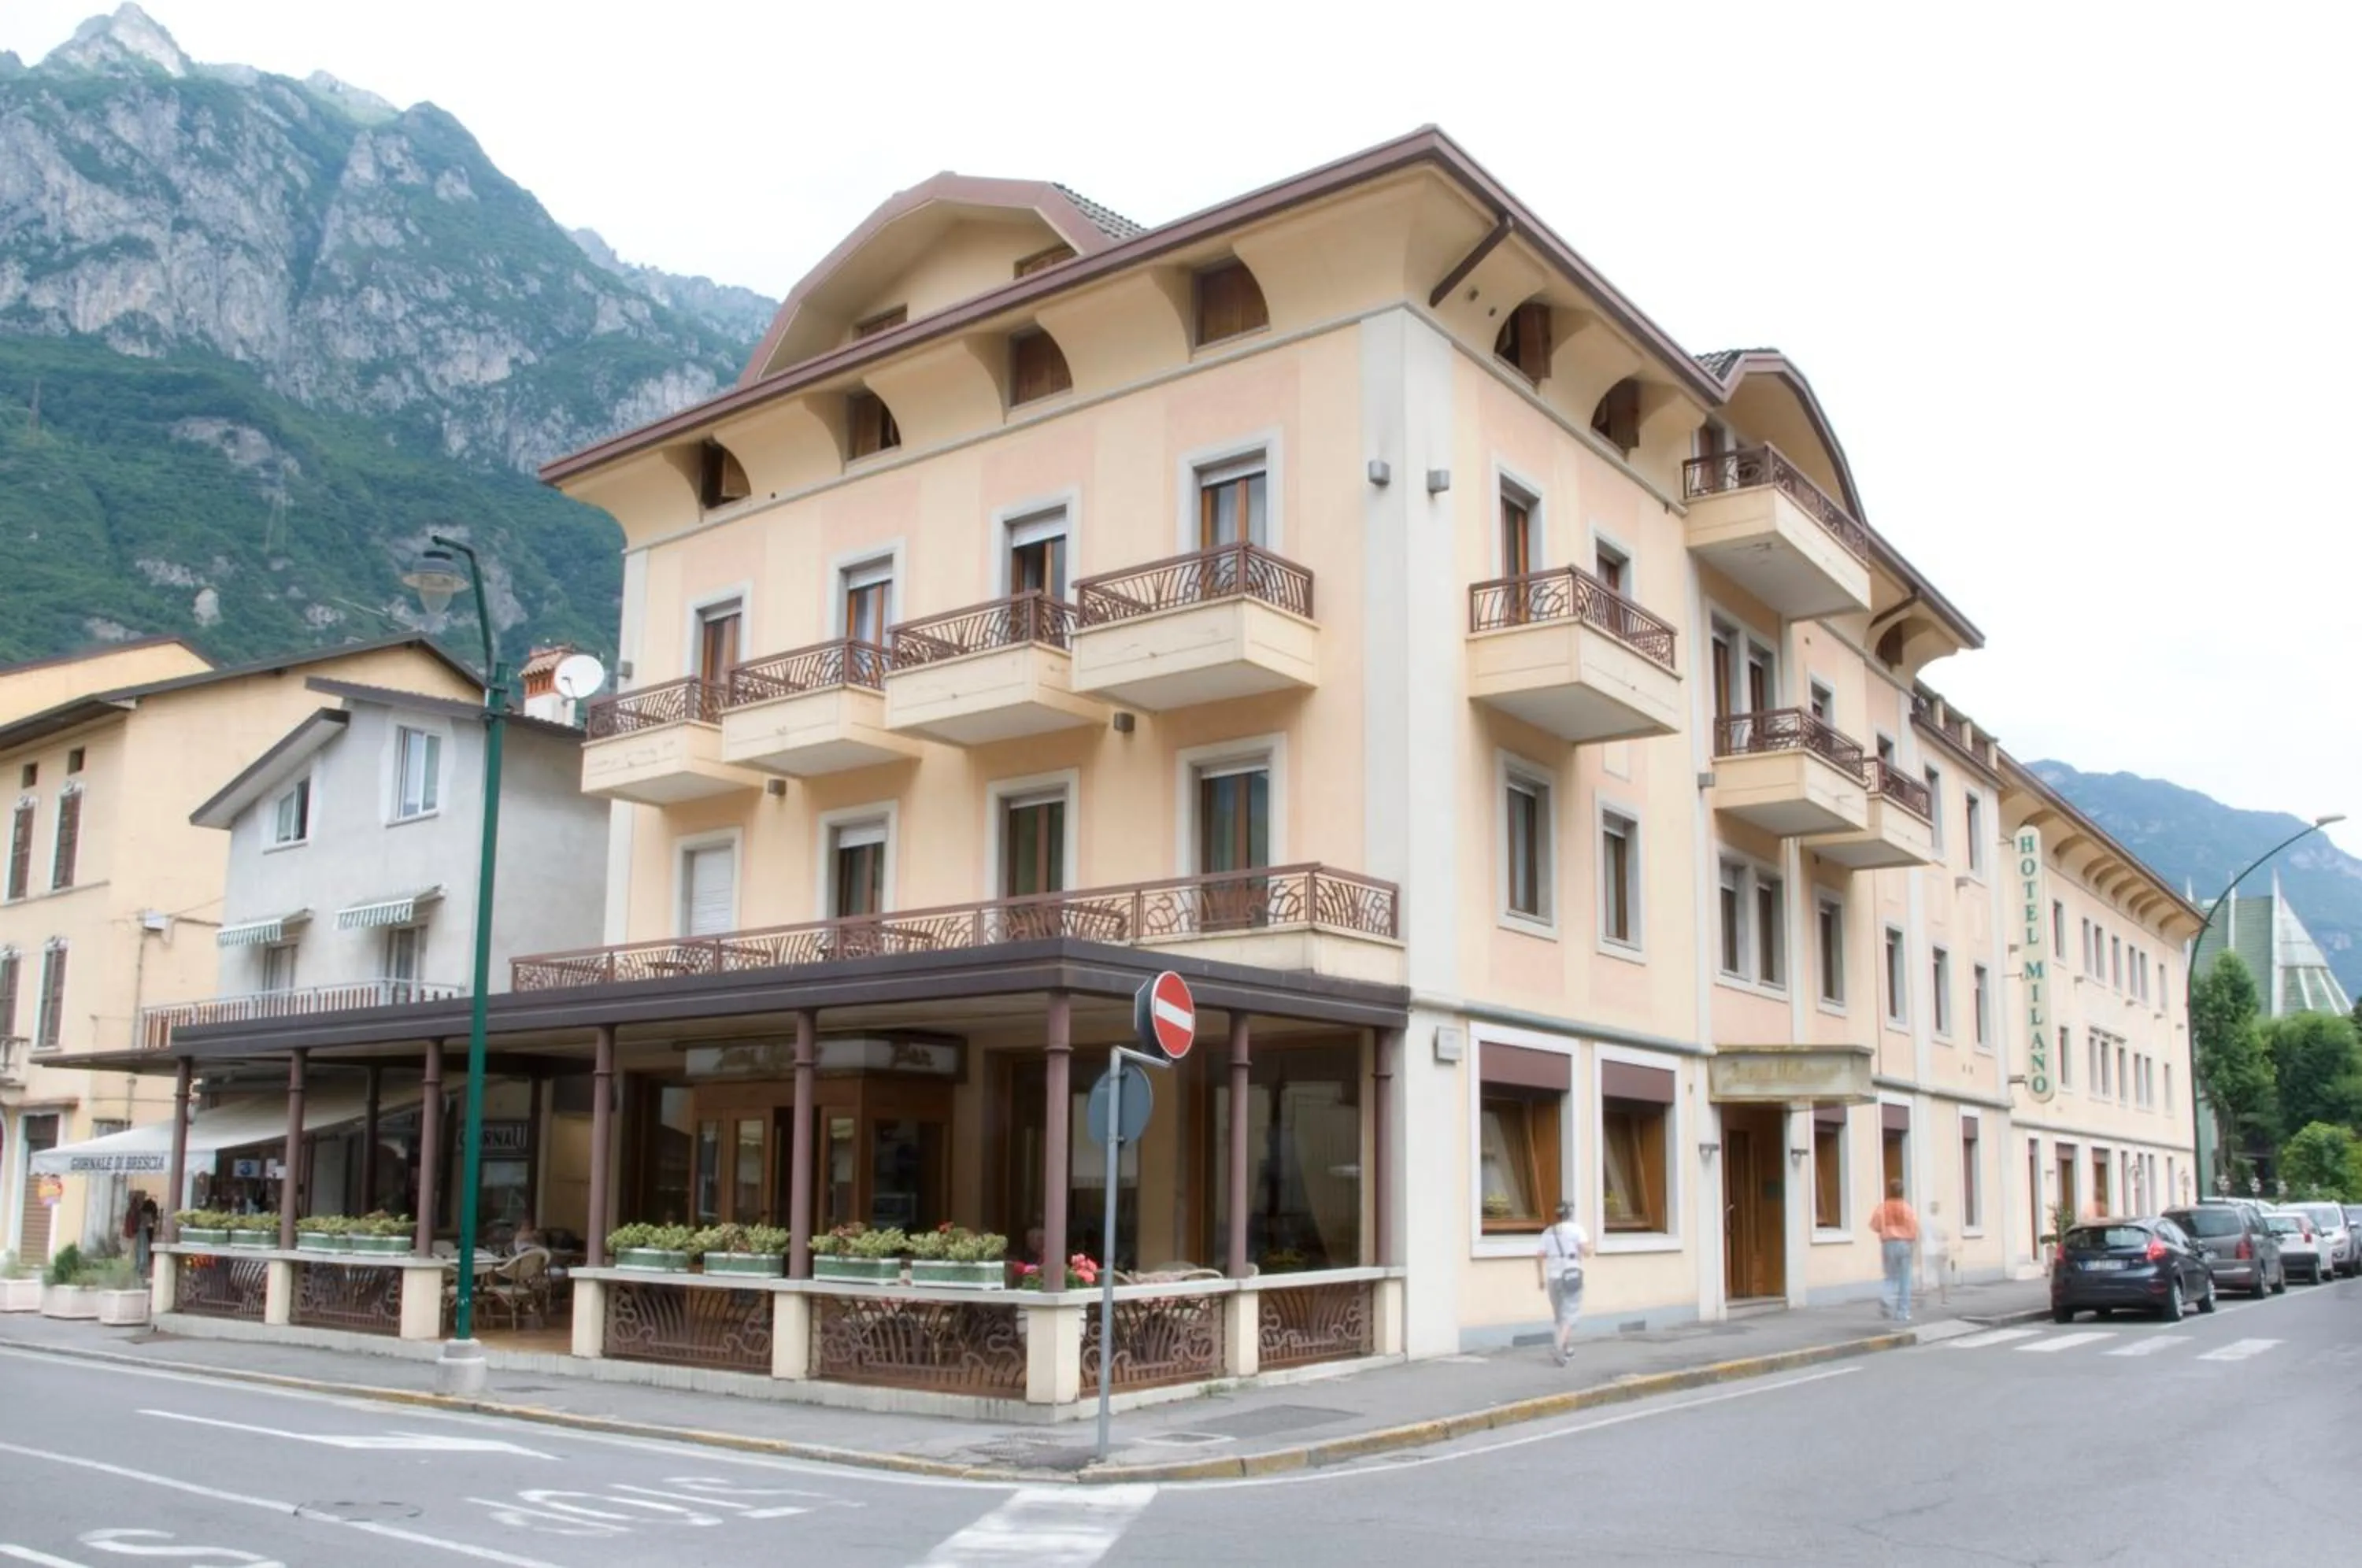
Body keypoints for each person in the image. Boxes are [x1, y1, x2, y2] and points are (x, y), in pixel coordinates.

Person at [1535, 1200, 1592, 1366]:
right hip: (1571, 1274)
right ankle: (1559, 1347)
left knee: (1560, 1316)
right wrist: (1590, 1246)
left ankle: (1567, 1350)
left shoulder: (1548, 1232)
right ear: (1570, 1214)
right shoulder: (1576, 1230)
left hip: (1553, 1276)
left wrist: (1540, 1278)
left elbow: (1539, 1256)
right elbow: (1586, 1252)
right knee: (1570, 1314)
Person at [1870, 1179, 1920, 1322]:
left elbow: (1875, 1225)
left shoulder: (1882, 1208)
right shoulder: (1907, 1208)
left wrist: (1886, 1230)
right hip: (1904, 1244)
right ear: (1902, 1192)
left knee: (1890, 1276)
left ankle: (1886, 1298)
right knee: (1905, 1279)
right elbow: (1914, 1228)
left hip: (1888, 1244)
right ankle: (1902, 1313)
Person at [1921, 1200, 1952, 1305]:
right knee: (1942, 1275)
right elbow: (1945, 1236)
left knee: (1928, 1276)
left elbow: (1922, 1236)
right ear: (1938, 1209)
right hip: (1939, 1250)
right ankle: (1944, 1299)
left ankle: (1923, 1300)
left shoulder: (1925, 1221)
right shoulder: (1941, 1221)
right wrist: (1946, 1250)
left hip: (1928, 1251)